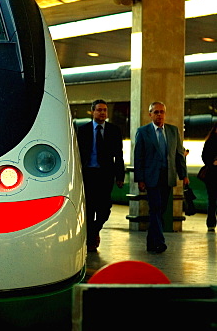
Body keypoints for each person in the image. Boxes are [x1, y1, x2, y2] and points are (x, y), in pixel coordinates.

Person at [133, 101, 188, 254]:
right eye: (156, 112)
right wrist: (140, 179)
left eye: (162, 112)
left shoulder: (172, 131)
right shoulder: (143, 132)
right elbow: (139, 157)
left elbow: (178, 155)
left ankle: (151, 242)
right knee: (155, 208)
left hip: (168, 176)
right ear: (150, 114)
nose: (159, 115)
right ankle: (160, 242)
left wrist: (183, 175)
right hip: (151, 177)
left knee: (160, 209)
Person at [75, 99, 125, 252]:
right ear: (93, 112)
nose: (103, 113)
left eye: (105, 110)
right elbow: (76, 155)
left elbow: (119, 155)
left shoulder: (114, 131)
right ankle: (90, 241)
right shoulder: (82, 130)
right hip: (88, 175)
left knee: (104, 209)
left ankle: (94, 231)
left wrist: (120, 176)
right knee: (89, 209)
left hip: (105, 176)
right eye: (99, 110)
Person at [201, 122, 217, 231]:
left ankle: (211, 224)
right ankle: (211, 222)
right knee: (212, 199)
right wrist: (213, 162)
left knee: (212, 199)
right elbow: (205, 157)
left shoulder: (209, 141)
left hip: (211, 174)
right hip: (212, 174)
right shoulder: (211, 141)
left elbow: (204, 156)